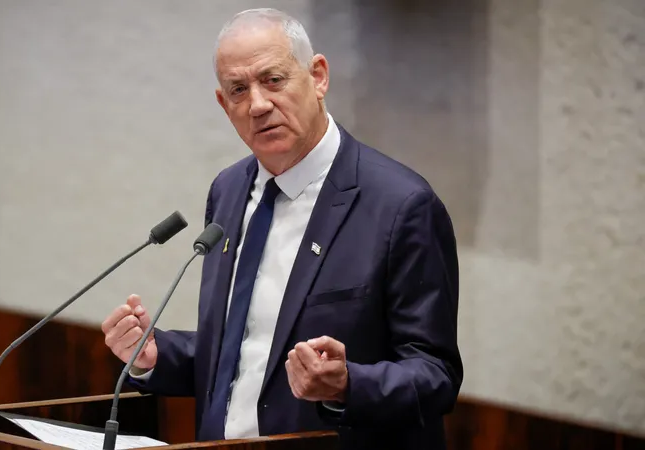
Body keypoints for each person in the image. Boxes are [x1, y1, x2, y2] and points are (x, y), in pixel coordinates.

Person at [101, 8, 462, 450]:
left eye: (273, 80)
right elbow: (250, 350)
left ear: (318, 76)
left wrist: (348, 384)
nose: (258, 105)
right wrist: (157, 355)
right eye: (238, 90)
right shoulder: (229, 189)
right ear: (224, 104)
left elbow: (436, 375)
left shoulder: (401, 205)